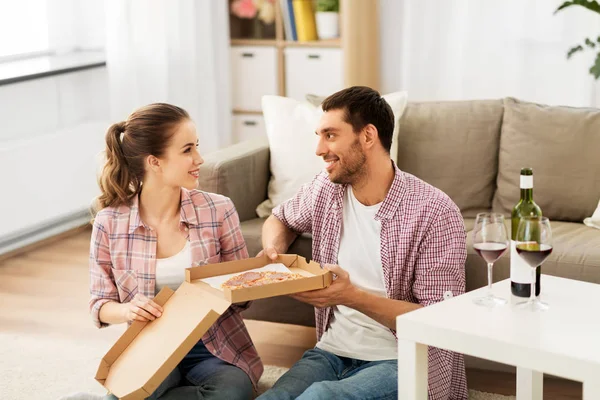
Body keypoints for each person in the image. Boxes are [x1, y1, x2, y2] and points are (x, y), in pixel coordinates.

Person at [256, 87, 468, 400]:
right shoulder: (325, 190)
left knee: (320, 397)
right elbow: (280, 218)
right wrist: (274, 252)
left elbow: (437, 320)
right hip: (331, 351)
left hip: (402, 359)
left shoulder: (434, 211)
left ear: (367, 136)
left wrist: (350, 296)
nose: (318, 149)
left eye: (330, 135)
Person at [88, 103, 262, 399]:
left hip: (214, 346)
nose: (199, 159)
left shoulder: (218, 210)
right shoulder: (109, 222)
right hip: (152, 346)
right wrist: (128, 309)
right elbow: (100, 305)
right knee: (123, 395)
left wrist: (253, 277)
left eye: (196, 147)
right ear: (154, 162)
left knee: (231, 393)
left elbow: (240, 301)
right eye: (187, 150)